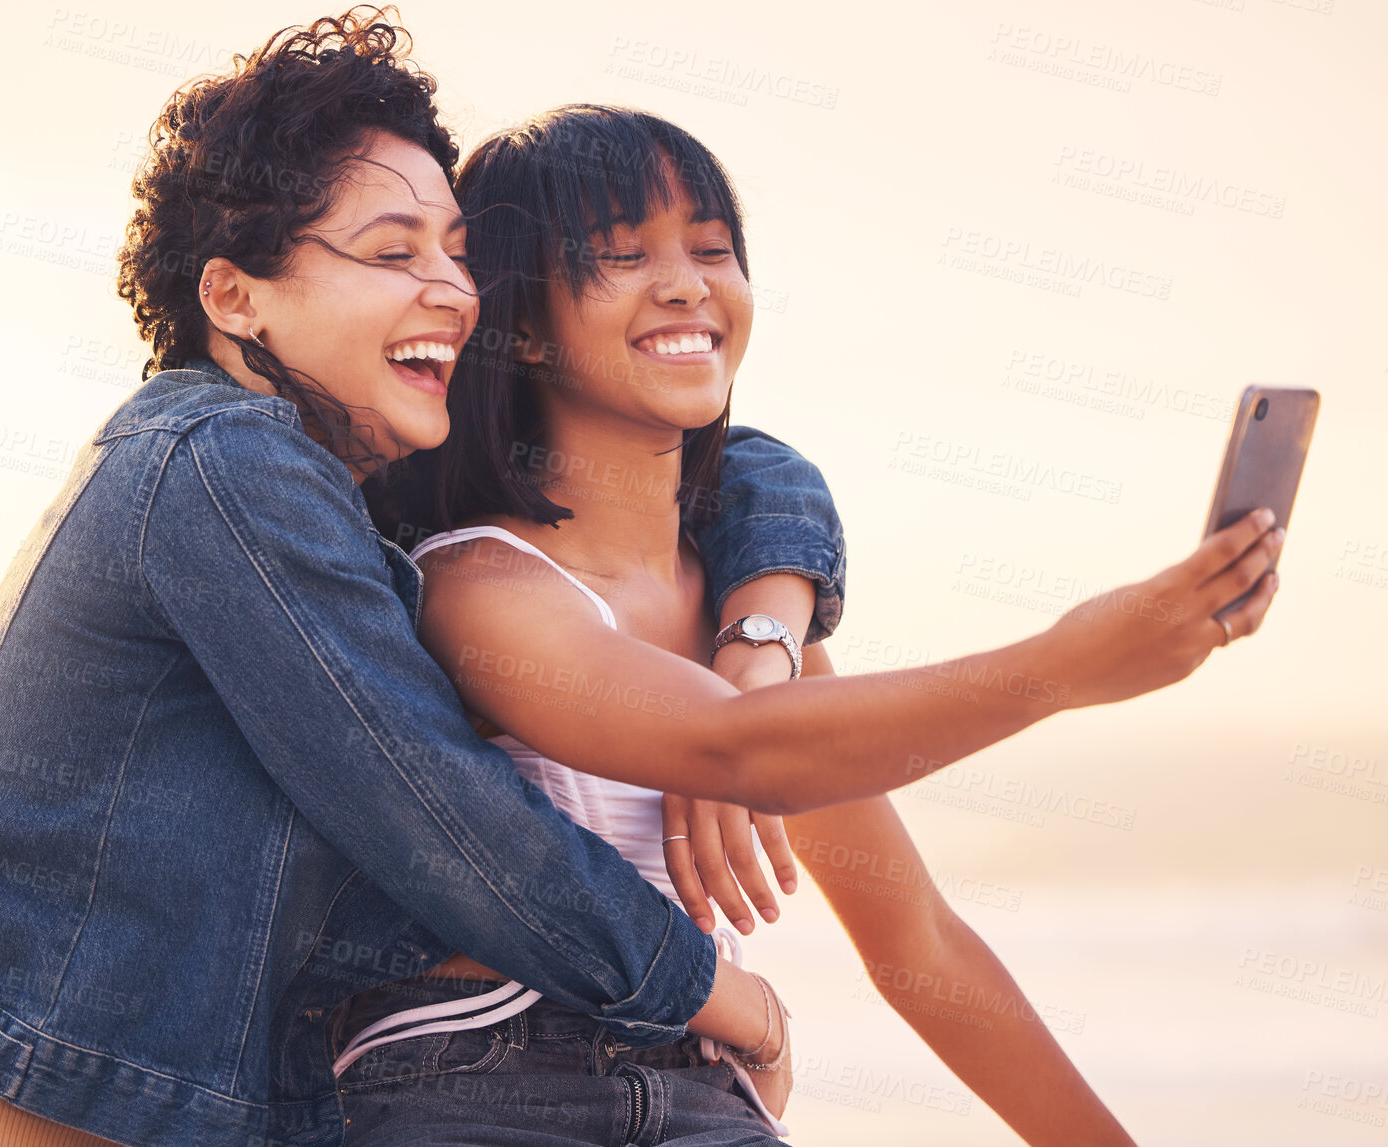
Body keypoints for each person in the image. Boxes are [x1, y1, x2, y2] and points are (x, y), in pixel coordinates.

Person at [0, 13, 850, 1147]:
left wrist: (758, 620)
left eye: (456, 254)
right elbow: (448, 819)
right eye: (392, 253)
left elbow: (732, 460)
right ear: (233, 297)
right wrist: (725, 998)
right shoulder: (222, 462)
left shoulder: (347, 509)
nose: (451, 291)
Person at [339, 104, 1282, 1145]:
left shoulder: (761, 629)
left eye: (710, 248)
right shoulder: (480, 581)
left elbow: (917, 943)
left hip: (699, 1092)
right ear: (517, 322)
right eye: (621, 255)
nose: (687, 284)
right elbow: (737, 749)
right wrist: (1066, 665)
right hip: (483, 1086)